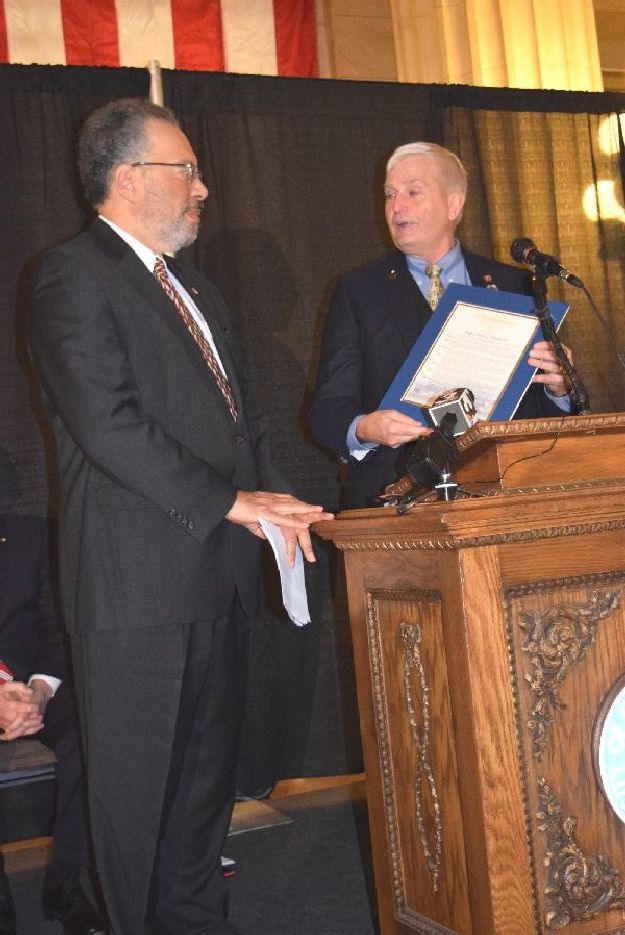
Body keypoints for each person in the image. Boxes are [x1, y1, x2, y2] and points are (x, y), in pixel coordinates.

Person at [28, 98, 332, 935]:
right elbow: (108, 424)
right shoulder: (70, 276)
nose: (202, 188)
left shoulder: (194, 287)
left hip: (217, 580)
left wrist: (281, 505)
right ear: (128, 177)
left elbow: (243, 423)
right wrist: (233, 502)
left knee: (201, 798)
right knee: (133, 805)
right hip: (136, 593)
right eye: (186, 170)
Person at [309, 141, 573, 508]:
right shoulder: (359, 291)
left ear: (454, 203)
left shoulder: (516, 286)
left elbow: (538, 415)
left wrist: (560, 388)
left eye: (413, 192)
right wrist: (366, 428)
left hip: (503, 497)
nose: (396, 207)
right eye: (389, 195)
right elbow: (328, 410)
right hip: (398, 498)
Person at [0, 447, 105, 935]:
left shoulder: (33, 536)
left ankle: (67, 882)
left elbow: (60, 627)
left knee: (96, 731)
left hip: (32, 687)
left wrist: (37, 694)